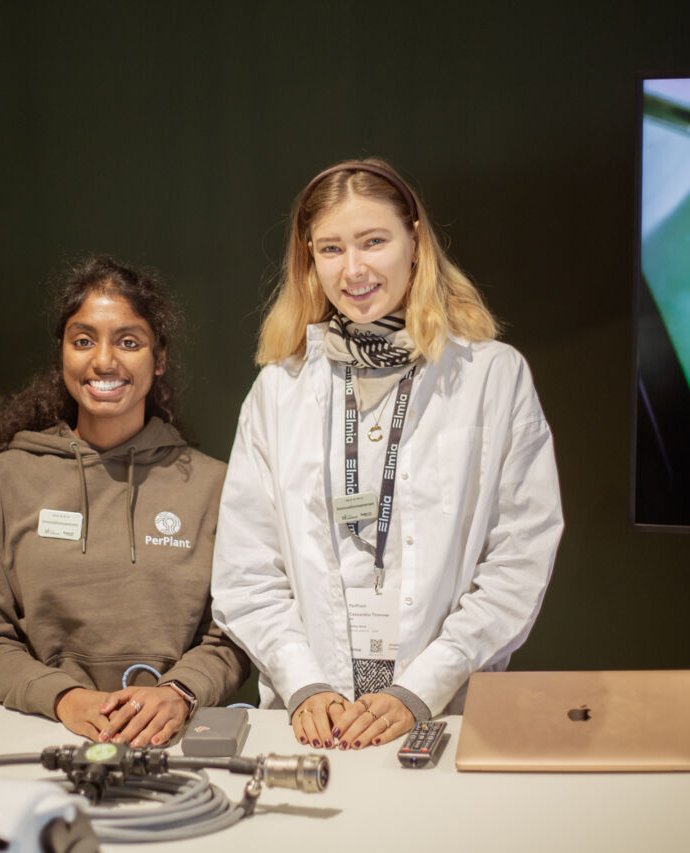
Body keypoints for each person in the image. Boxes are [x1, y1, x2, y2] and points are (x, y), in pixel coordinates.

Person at [211, 158, 563, 751]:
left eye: (373, 241)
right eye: (331, 249)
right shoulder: (280, 387)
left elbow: (518, 558)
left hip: (441, 716)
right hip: (309, 722)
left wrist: (421, 687)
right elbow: (246, 572)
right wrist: (305, 684)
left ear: (415, 241)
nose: (354, 269)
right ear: (309, 259)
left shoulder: (491, 376)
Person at [0, 255, 248, 747]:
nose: (104, 361)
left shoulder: (214, 486)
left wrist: (179, 692)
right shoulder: (2, 480)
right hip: (39, 734)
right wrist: (64, 698)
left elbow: (235, 635)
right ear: (62, 354)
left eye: (128, 341)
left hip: (172, 739)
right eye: (84, 340)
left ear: (159, 359)